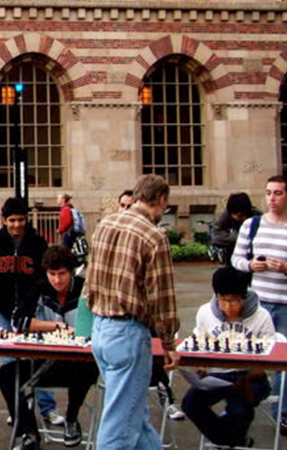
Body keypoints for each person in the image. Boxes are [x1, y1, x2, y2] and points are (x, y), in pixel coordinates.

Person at [87, 174, 180, 450]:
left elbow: (90, 280)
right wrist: (169, 342)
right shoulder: (154, 236)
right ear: (161, 200)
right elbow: (162, 296)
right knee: (119, 426)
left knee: (133, 416)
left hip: (100, 328)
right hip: (127, 332)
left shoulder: (105, 224)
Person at [0, 246, 100, 449]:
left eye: (62, 274)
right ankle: (29, 432)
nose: (57, 280)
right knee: (7, 374)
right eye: (52, 274)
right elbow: (18, 322)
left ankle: (71, 418)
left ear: (71, 272)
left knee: (89, 367)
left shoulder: (85, 289)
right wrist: (57, 326)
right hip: (45, 364)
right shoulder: (39, 288)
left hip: (78, 364)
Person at [0, 197, 62, 426]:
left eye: (21, 220)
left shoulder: (37, 244)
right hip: (3, 309)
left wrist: (27, 305)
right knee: (10, 359)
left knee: (40, 355)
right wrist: (7, 307)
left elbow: (43, 278)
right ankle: (16, 407)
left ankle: (47, 409)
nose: (17, 225)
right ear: (4, 220)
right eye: (12, 220)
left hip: (33, 309)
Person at [181, 266, 274, 448]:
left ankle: (228, 441)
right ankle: (236, 441)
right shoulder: (205, 312)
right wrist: (200, 369)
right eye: (223, 300)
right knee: (190, 403)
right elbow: (198, 346)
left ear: (244, 297)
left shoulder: (262, 316)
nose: (228, 307)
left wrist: (249, 376)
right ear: (216, 296)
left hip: (251, 377)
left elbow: (271, 357)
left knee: (239, 408)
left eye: (234, 301)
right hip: (219, 377)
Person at [231, 174, 287, 431]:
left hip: (285, 303)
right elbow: (237, 259)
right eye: (268, 193)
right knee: (248, 359)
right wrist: (251, 265)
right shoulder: (252, 225)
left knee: (284, 364)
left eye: (278, 193)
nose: (272, 198)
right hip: (258, 303)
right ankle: (240, 410)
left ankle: (282, 415)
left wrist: (285, 268)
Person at [212, 192, 256, 266]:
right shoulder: (227, 215)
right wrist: (238, 238)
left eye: (244, 215)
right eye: (238, 216)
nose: (242, 218)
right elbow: (216, 235)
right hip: (232, 253)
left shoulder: (256, 215)